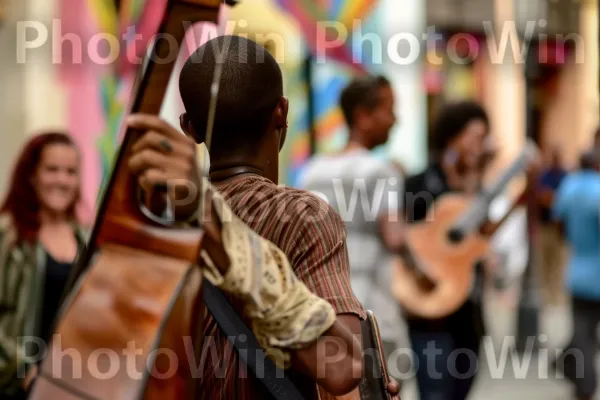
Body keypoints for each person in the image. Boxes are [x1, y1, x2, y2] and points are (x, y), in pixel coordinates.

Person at [120, 35, 398, 399]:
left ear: (189, 127)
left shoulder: (150, 227)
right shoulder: (303, 216)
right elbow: (340, 368)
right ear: (281, 111)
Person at [298, 76, 406, 365]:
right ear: (362, 116)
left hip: (324, 306)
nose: (395, 120)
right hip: (373, 309)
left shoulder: (312, 171)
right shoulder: (381, 171)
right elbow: (395, 237)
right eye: (389, 109)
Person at [402, 101, 492, 400]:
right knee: (435, 394)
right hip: (431, 314)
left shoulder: (476, 190)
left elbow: (481, 239)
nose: (482, 146)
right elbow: (405, 241)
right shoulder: (418, 185)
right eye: (476, 137)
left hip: (469, 313)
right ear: (453, 138)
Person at [0, 132, 88, 400]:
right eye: (52, 170)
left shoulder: (86, 239)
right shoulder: (8, 236)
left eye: (70, 172)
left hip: (70, 386)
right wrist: (22, 368)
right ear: (31, 175)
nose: (62, 180)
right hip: (16, 387)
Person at [552, 150, 600, 400]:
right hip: (595, 272)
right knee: (586, 336)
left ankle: (567, 366)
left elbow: (559, 221)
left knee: (583, 331)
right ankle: (585, 385)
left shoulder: (568, 186)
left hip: (579, 271)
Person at [536, 147, 567, 305]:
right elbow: (541, 196)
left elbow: (563, 199)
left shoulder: (565, 176)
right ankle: (546, 295)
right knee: (544, 261)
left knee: (558, 262)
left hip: (559, 228)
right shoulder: (545, 175)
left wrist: (553, 199)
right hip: (546, 225)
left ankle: (556, 296)